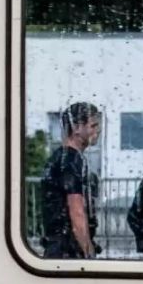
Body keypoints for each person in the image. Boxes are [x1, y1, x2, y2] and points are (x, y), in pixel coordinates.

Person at [39, 102, 101, 259]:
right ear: (77, 128)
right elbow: (77, 210)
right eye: (93, 126)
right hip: (66, 248)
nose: (97, 131)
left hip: (59, 244)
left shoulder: (61, 158)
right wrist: (88, 252)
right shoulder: (70, 160)